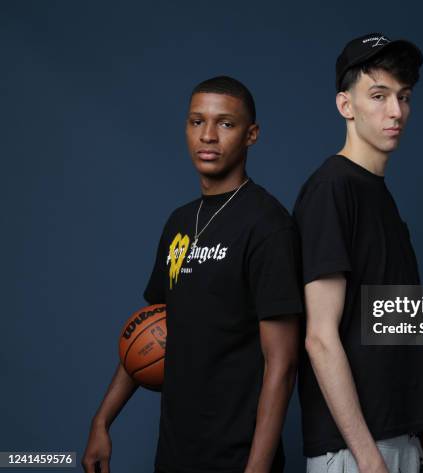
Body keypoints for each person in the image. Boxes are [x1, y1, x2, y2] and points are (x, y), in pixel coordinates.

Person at [293, 33, 423, 473]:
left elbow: (408, 327)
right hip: (355, 452)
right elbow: (319, 337)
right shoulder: (332, 189)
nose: (396, 111)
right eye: (379, 95)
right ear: (345, 106)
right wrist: (368, 459)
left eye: (404, 97)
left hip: (405, 439)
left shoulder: (381, 198)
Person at [82, 76, 303, 473]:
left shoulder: (268, 226)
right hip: (173, 454)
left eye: (226, 124)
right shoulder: (179, 222)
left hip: (237, 459)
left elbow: (282, 364)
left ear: (251, 134)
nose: (208, 136)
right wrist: (102, 421)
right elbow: (150, 331)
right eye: (197, 121)